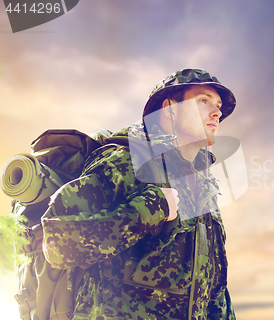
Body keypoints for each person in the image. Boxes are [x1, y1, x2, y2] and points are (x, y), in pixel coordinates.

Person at [41, 68, 237, 319]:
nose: (216, 112)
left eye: (219, 106)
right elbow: (58, 245)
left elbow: (214, 288)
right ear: (169, 109)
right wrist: (149, 211)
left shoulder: (203, 186)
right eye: (203, 101)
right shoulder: (125, 161)